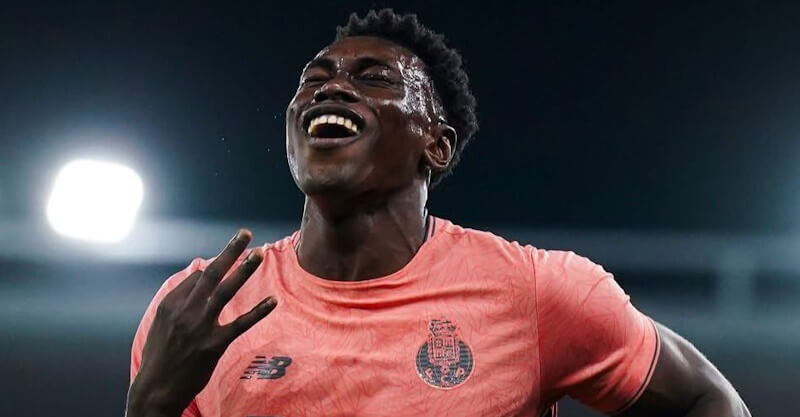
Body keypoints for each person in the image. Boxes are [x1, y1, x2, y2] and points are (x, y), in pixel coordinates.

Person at [125, 9, 750, 417]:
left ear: (437, 145)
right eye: (314, 79)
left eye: (374, 78)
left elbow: (705, 398)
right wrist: (149, 406)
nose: (332, 88)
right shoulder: (198, 308)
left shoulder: (534, 293)